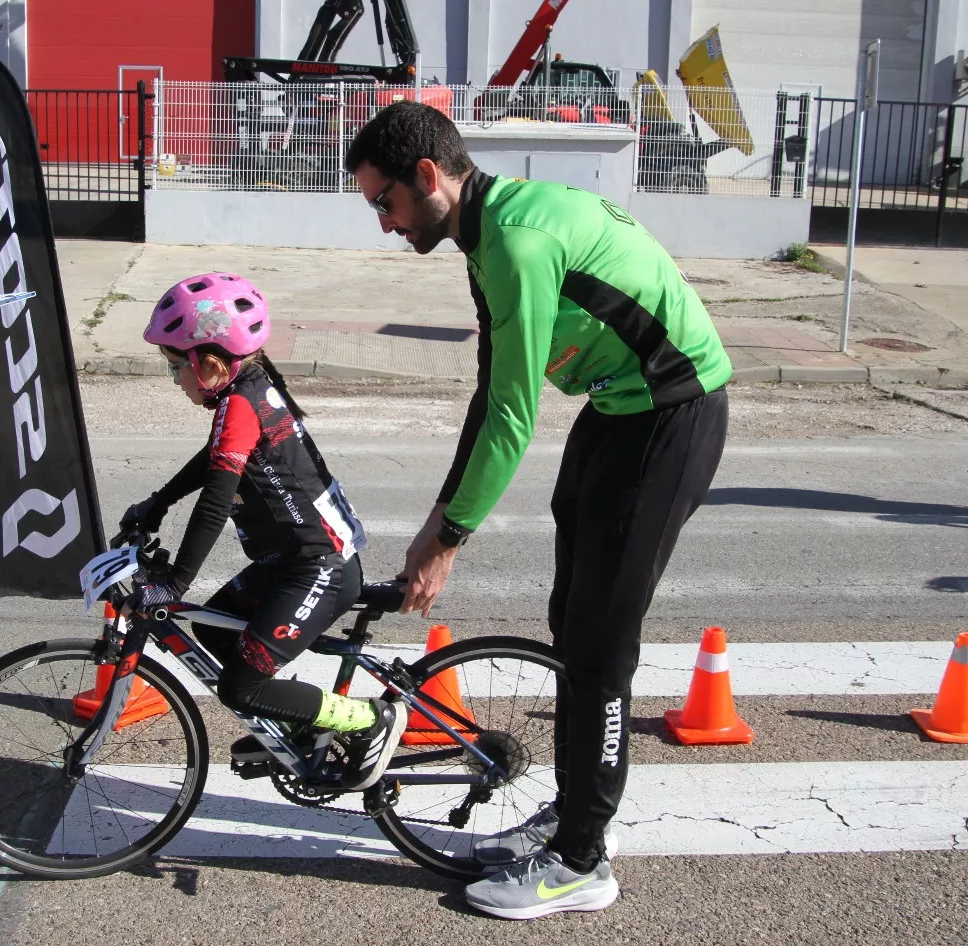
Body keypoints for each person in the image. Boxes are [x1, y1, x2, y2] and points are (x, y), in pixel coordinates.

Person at [345, 102, 732, 919]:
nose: (383, 222)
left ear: (428, 175)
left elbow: (513, 415)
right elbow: (491, 392)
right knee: (572, 624)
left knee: (600, 643)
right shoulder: (488, 231)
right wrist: (440, 517)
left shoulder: (516, 242)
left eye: (385, 201)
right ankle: (573, 811)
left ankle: (582, 861)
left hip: (671, 415)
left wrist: (448, 538)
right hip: (618, 409)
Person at [117, 273, 407, 790]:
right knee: (212, 630)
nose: (175, 379)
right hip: (290, 561)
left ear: (209, 365)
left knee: (240, 688)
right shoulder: (245, 390)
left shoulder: (241, 402)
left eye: (174, 366)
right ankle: (298, 729)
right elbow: (214, 457)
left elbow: (216, 501)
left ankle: (370, 720)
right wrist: (158, 503)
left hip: (319, 567)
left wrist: (175, 583)